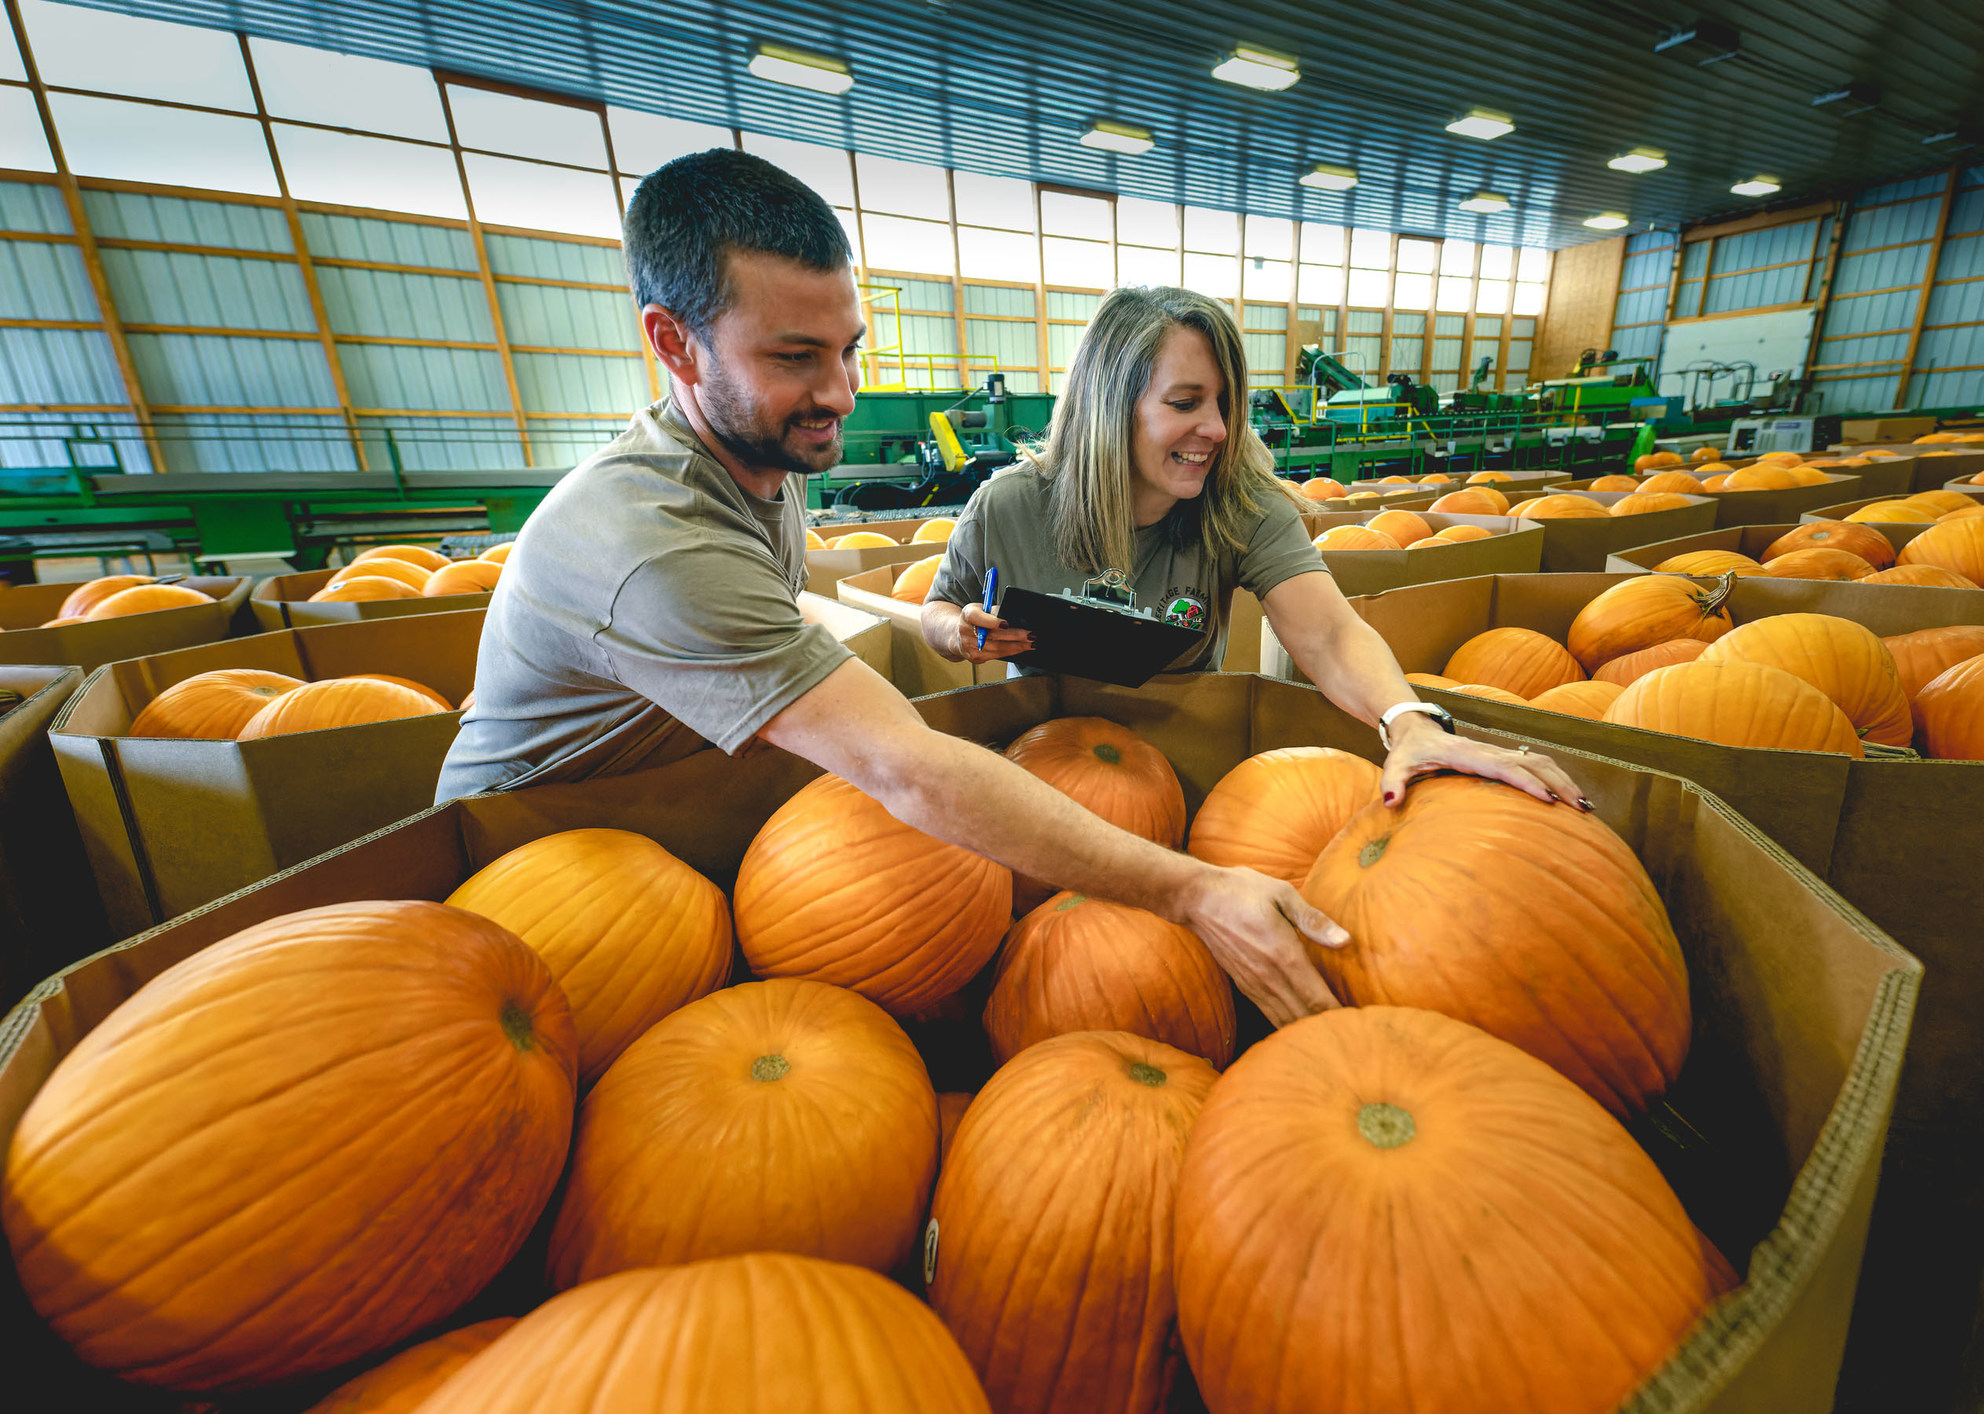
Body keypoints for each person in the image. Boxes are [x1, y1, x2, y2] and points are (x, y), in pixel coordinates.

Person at [436, 148, 1405, 1027]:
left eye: (847, 347)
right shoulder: (655, 541)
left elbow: (1322, 630)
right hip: (535, 889)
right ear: (674, 343)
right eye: (794, 357)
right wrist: (1194, 889)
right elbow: (908, 766)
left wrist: (1410, 717)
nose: (842, 392)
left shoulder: (760, 466)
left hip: (664, 836)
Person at [922, 285, 1587, 811]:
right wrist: (959, 632)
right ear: (1108, 409)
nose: (1214, 428)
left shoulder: (1240, 502)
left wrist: (1407, 720)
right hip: (1040, 768)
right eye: (1185, 403)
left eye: (1224, 403)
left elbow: (1327, 632)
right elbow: (938, 607)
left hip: (1183, 764)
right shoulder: (1010, 503)